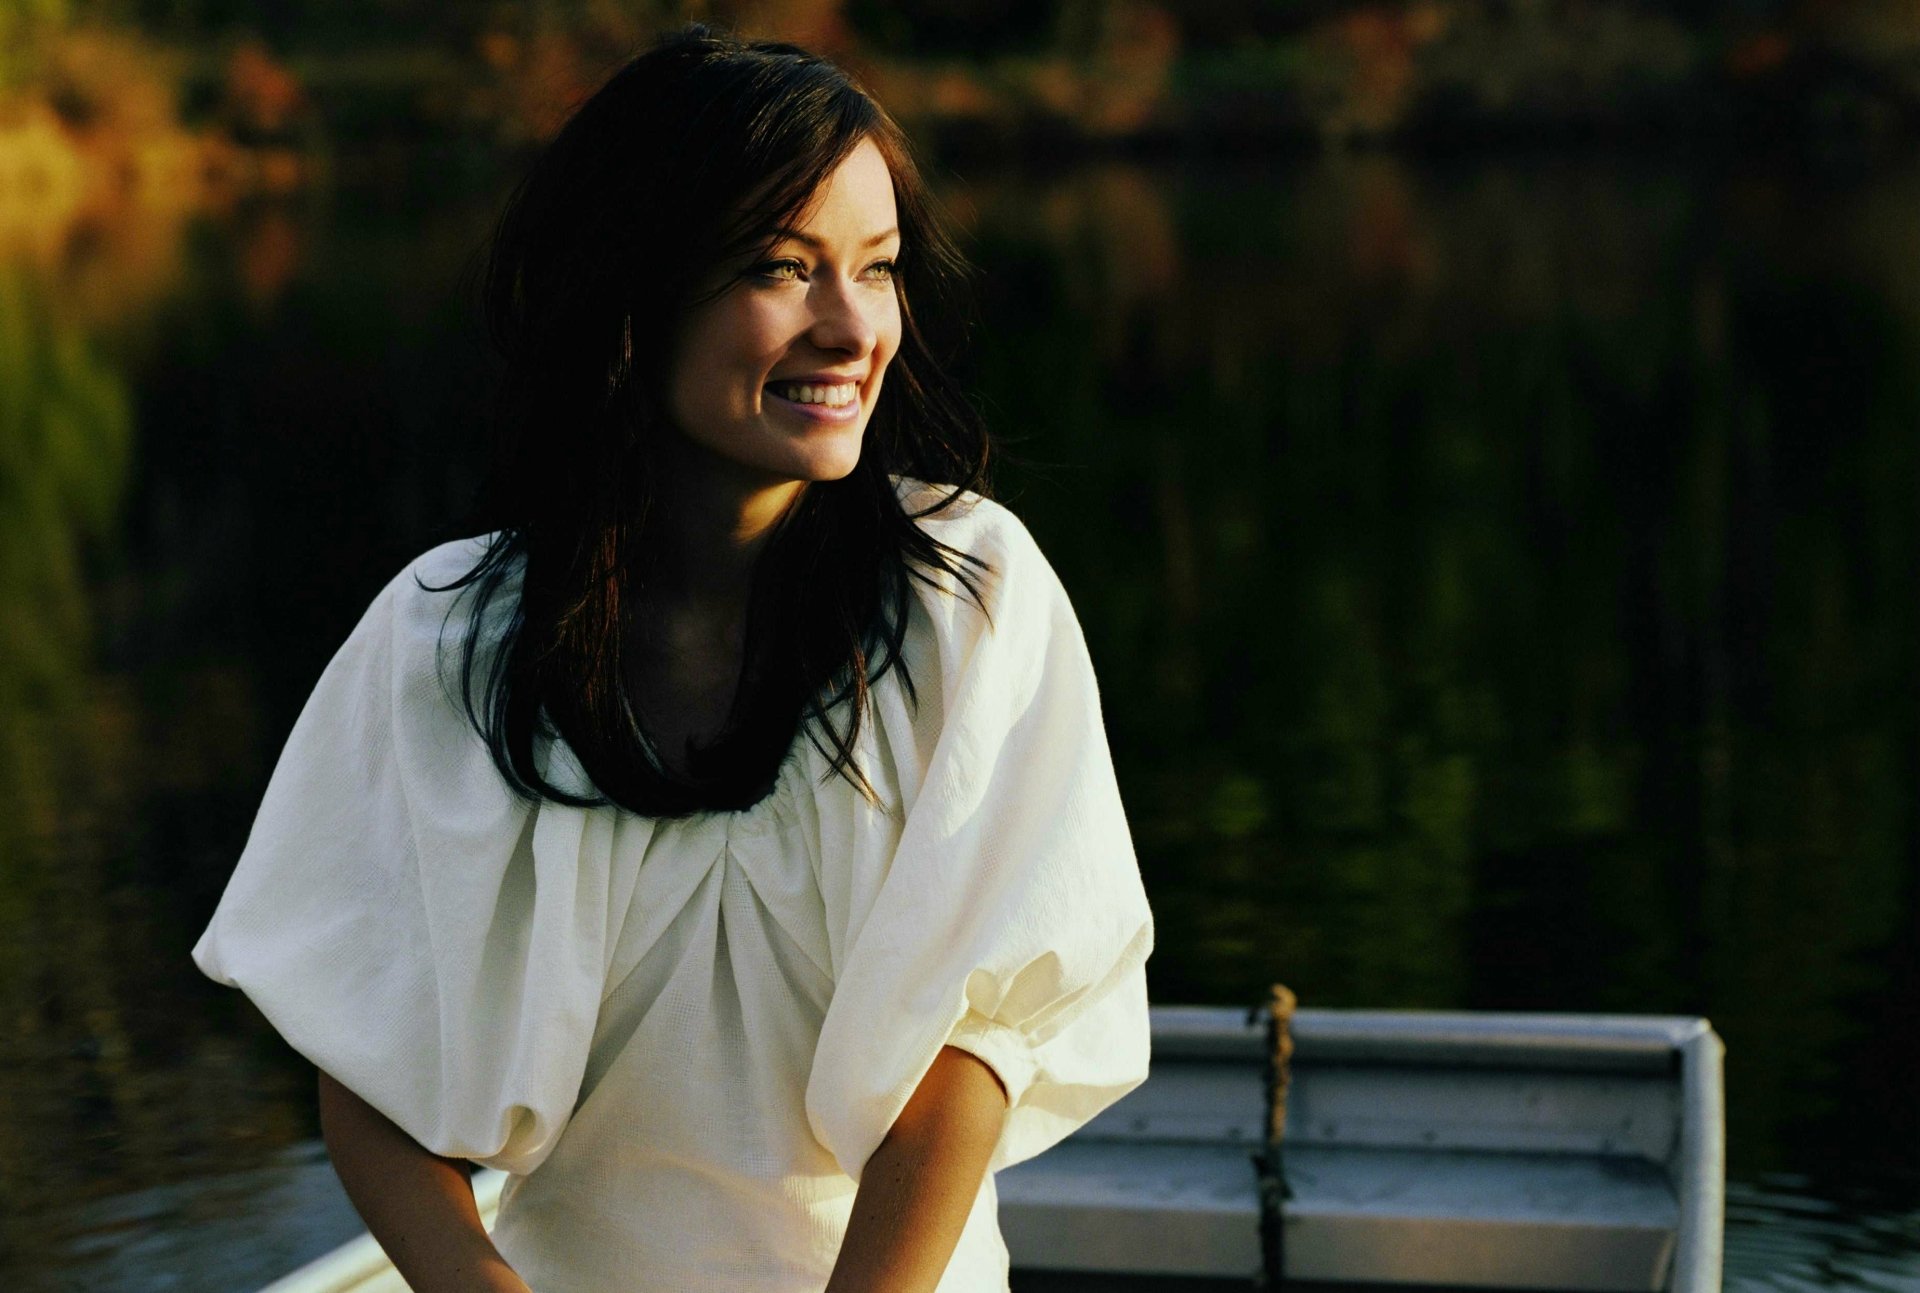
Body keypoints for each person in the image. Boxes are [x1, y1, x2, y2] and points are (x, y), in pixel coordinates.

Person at [192, 24, 1153, 1293]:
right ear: (634, 295)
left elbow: (970, 1056)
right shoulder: (448, 638)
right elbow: (368, 1062)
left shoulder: (962, 595)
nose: (851, 327)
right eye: (782, 267)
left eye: (877, 269)